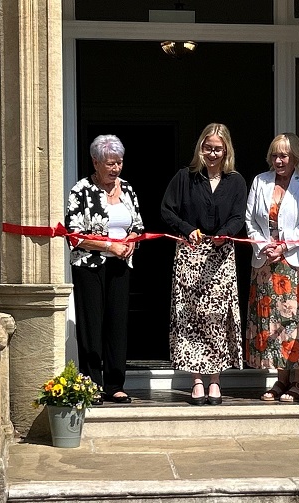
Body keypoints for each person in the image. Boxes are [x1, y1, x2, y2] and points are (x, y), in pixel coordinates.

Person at [160, 123, 247, 405]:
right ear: (200, 148)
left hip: (221, 257)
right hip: (190, 253)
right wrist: (187, 228)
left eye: (217, 149)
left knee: (217, 319)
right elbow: (166, 210)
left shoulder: (236, 181)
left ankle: (215, 381)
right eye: (207, 148)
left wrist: (226, 234)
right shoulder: (185, 177)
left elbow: (239, 216)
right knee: (192, 318)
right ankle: (196, 379)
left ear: (226, 151)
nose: (212, 153)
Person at [245, 132, 299, 402]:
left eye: (284, 155)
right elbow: (250, 221)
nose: (278, 160)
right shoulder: (260, 181)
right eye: (275, 155)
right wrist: (264, 246)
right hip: (267, 263)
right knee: (274, 324)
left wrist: (284, 246)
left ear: (296, 157)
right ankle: (280, 380)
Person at [65, 134, 144, 405]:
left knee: (117, 324)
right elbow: (74, 236)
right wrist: (111, 246)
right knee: (92, 325)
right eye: (110, 163)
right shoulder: (81, 190)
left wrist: (131, 240)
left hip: (121, 265)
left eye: (119, 163)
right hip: (90, 265)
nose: (115, 168)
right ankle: (91, 384)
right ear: (96, 162)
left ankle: (114, 384)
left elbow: (138, 225)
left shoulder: (129, 189)